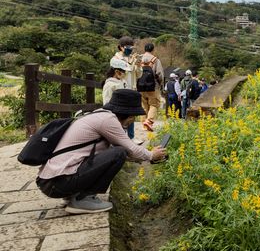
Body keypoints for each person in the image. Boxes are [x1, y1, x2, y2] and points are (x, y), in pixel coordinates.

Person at [36, 89, 167, 214]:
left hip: (51, 181)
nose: (133, 119)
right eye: (133, 116)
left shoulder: (100, 114)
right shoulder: (108, 120)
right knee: (119, 153)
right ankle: (84, 199)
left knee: (117, 152)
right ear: (127, 113)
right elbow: (129, 149)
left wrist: (145, 156)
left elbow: (123, 152)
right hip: (57, 183)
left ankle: (74, 196)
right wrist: (151, 155)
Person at [109, 36, 142, 139]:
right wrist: (132, 62)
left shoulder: (132, 58)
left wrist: (139, 66)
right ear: (121, 47)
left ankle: (131, 138)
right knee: (120, 115)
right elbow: (126, 68)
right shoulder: (115, 59)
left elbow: (138, 75)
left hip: (132, 89)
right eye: (128, 47)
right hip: (121, 90)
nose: (130, 50)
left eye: (132, 47)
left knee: (131, 115)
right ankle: (120, 138)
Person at [137, 43, 164, 131]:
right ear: (153, 50)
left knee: (143, 105)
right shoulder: (155, 60)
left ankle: (144, 125)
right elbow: (160, 75)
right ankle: (149, 121)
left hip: (140, 86)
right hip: (153, 87)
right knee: (154, 104)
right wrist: (160, 85)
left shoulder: (139, 59)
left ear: (144, 49)